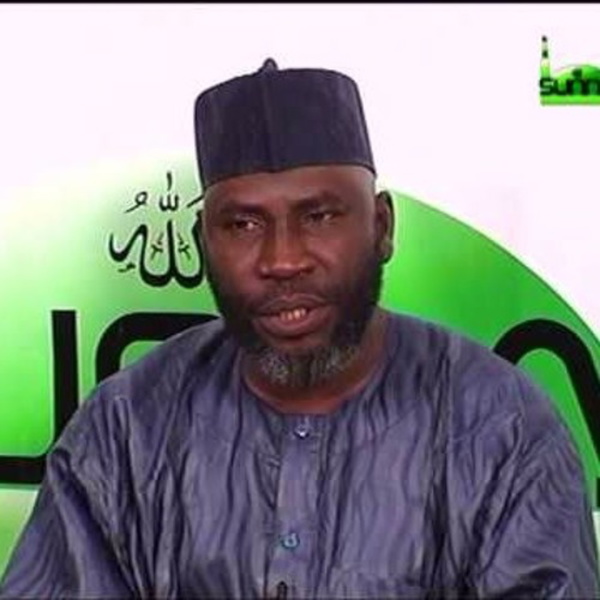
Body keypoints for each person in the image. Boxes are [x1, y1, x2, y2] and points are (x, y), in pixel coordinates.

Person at [1, 58, 598, 600]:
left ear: (382, 226)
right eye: (243, 224)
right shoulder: (125, 431)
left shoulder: (500, 428)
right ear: (202, 244)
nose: (282, 260)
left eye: (319, 216)